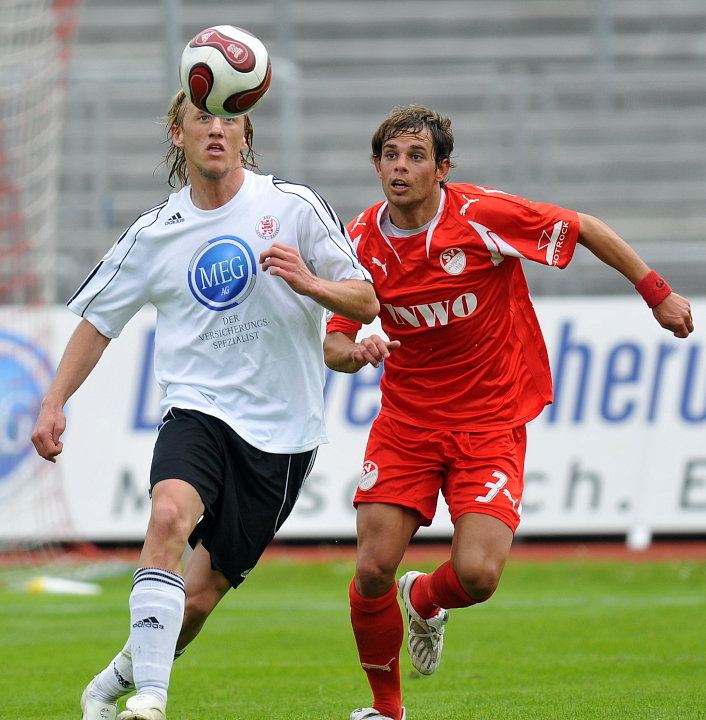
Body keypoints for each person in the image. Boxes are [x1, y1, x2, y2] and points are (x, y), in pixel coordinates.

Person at [323, 104, 694, 720]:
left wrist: (656, 293)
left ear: (443, 169)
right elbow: (333, 343)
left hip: (489, 423)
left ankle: (427, 601)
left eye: (416, 157)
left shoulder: (478, 216)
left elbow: (586, 227)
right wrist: (358, 351)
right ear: (375, 164)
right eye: (390, 155)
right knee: (371, 569)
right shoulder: (359, 240)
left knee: (478, 576)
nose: (400, 167)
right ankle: (386, 710)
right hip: (406, 426)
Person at [31, 89, 378, 720]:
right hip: (197, 410)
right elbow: (99, 323)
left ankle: (112, 682)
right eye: (201, 118)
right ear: (177, 134)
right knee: (168, 516)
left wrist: (308, 281)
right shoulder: (154, 233)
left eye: (228, 119)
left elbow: (364, 301)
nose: (215, 129)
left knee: (193, 603)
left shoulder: (292, 207)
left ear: (247, 132)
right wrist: (55, 401)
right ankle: (153, 702)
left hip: (283, 432)